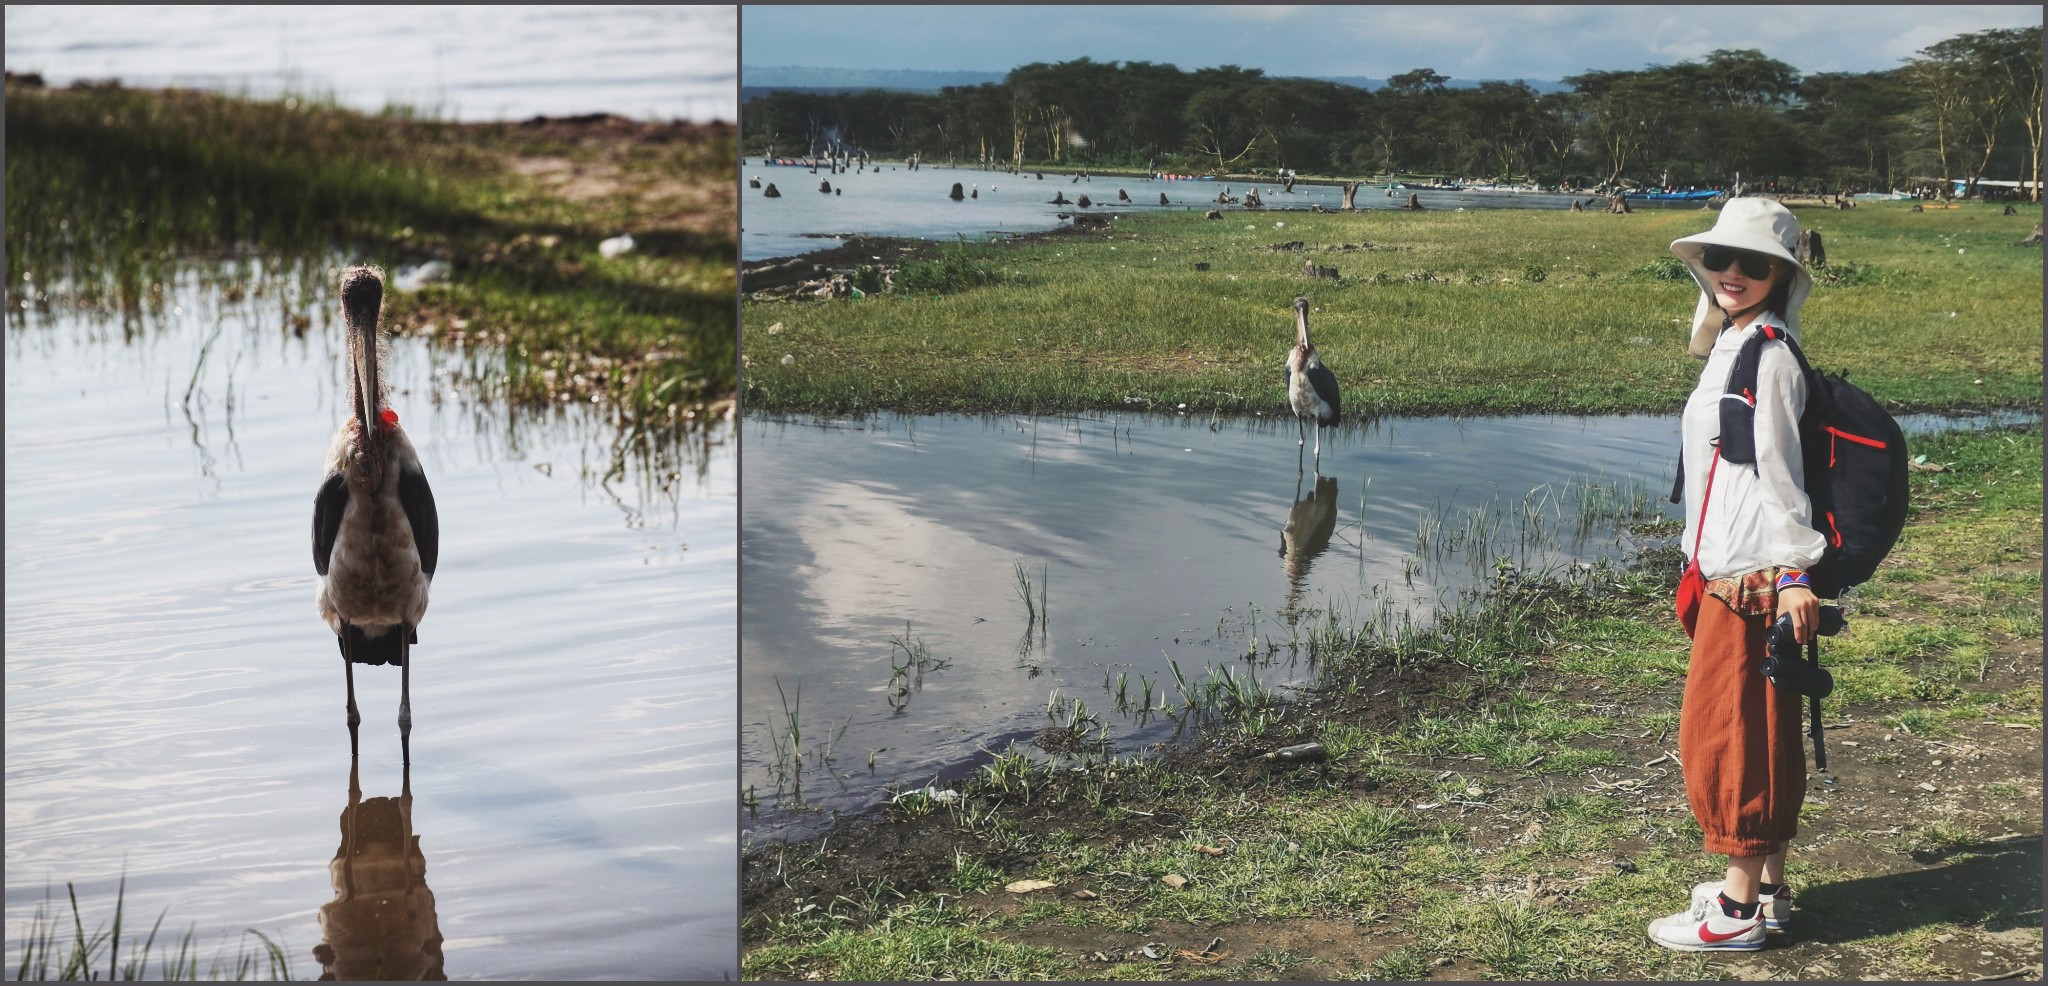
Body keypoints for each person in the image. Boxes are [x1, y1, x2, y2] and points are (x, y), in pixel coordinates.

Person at [1649, 197, 1825, 952]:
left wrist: (1792, 576)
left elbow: (1787, 480)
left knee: (1730, 735)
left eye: (1752, 264)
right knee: (1764, 727)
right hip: (1724, 564)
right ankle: (1771, 889)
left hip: (1753, 577)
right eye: (1721, 260)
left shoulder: (1772, 356)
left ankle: (1736, 909)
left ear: (1780, 274)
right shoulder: (1736, 340)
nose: (1732, 273)